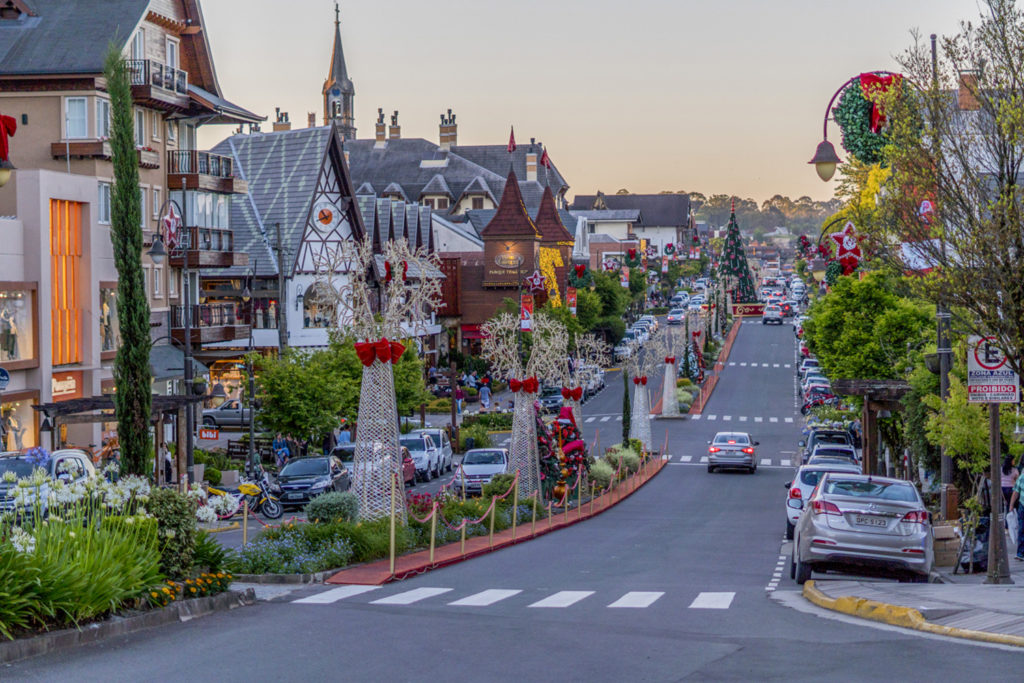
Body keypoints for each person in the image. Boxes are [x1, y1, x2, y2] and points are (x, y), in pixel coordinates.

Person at [1010, 468, 1024, 561]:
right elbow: (1016, 492)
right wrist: (1011, 505)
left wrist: (1011, 505)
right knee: (1022, 529)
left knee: (1022, 529)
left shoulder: (1022, 477)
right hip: (1022, 505)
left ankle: (1020, 553)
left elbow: (1016, 492)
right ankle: (1020, 553)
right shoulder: (1022, 477)